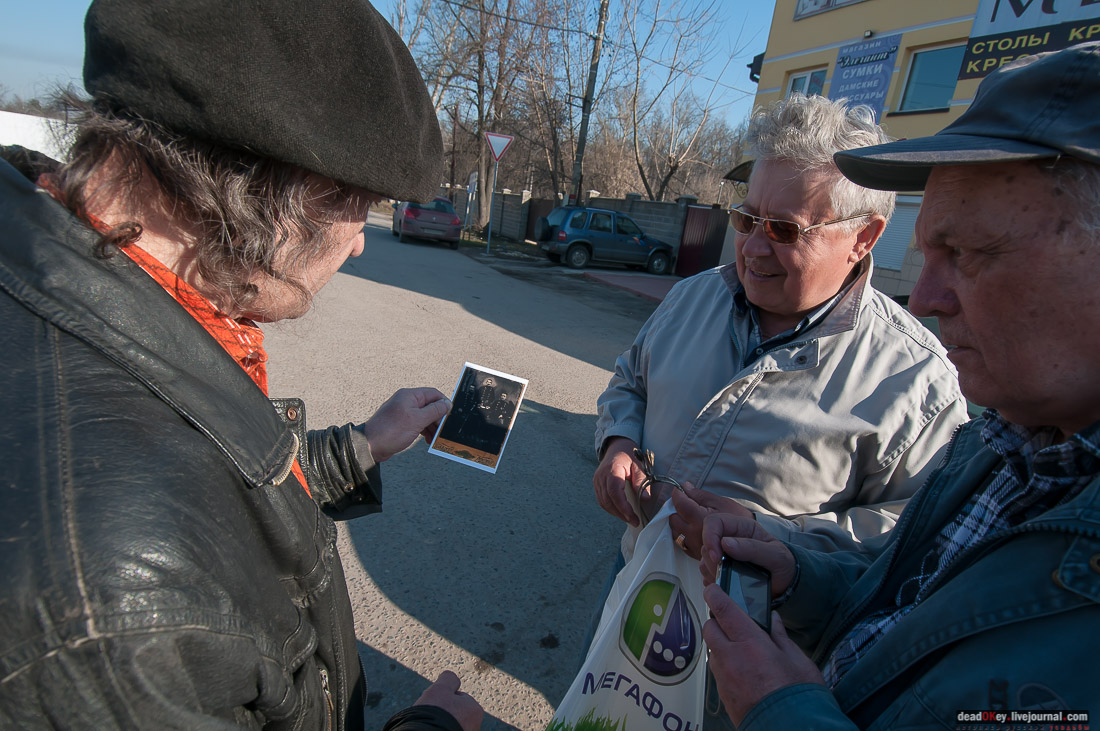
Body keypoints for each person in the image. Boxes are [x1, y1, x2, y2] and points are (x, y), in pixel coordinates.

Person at [0, 1, 482, 729]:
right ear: (287, 191)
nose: (358, 247)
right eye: (362, 211)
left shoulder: (57, 251)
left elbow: (220, 503)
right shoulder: (124, 606)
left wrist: (359, 447)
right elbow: (178, 530)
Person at [698, 42, 1100, 728]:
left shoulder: (931, 381)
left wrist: (780, 710)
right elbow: (909, 605)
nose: (925, 298)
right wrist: (803, 577)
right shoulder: (1003, 445)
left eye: (969, 253)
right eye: (928, 254)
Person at [593, 93, 967, 565]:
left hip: (762, 633)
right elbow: (631, 382)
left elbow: (917, 535)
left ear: (864, 238)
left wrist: (768, 537)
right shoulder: (692, 297)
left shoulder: (915, 379)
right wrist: (618, 443)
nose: (752, 249)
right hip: (635, 577)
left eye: (784, 231)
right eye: (746, 220)